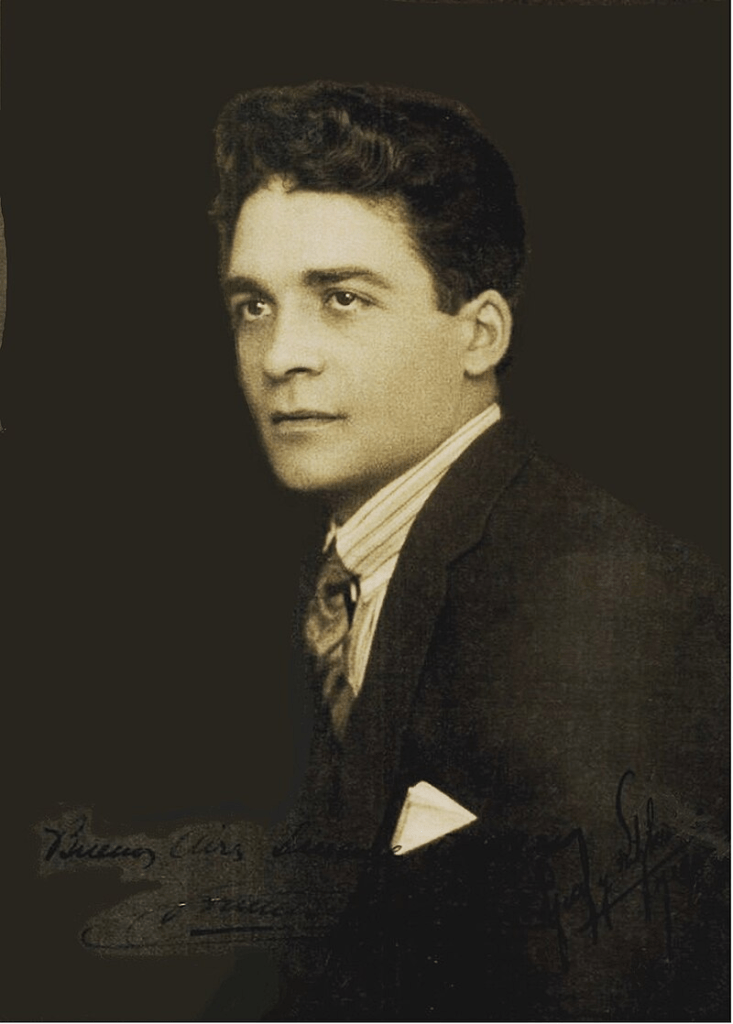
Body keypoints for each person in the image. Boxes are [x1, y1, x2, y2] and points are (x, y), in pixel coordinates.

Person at [203, 81, 728, 1021]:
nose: (281, 355)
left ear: (479, 333)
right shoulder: (335, 574)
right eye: (253, 306)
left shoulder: (603, 596)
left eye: (341, 298)